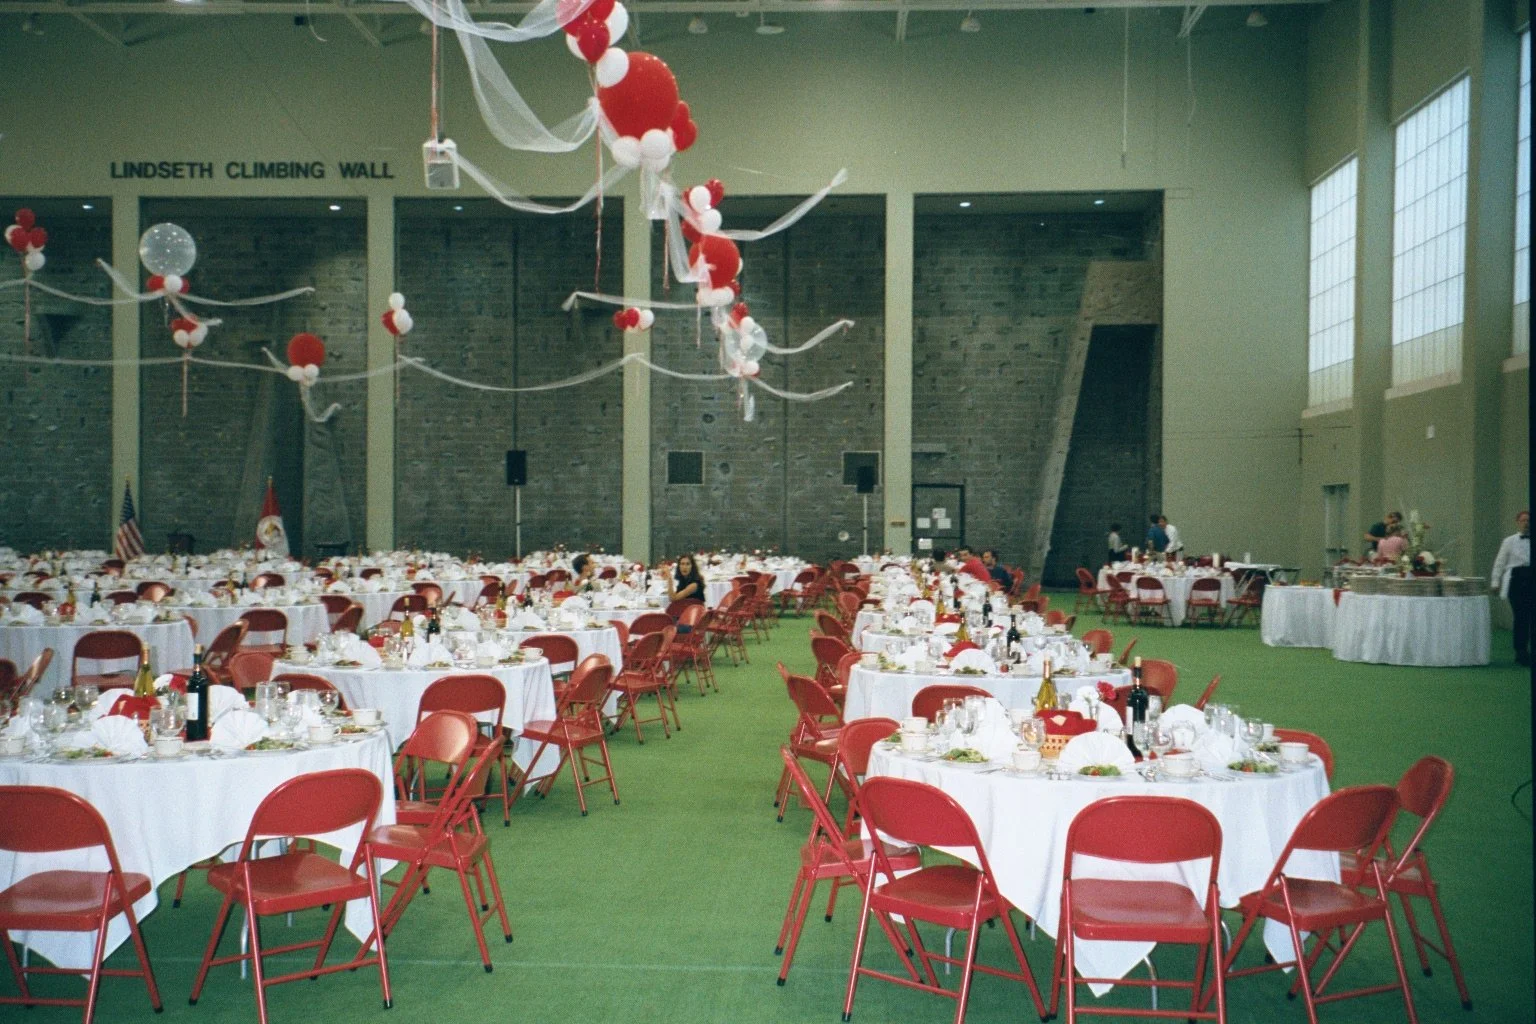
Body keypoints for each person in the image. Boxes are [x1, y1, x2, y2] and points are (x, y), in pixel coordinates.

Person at [1491, 510, 1531, 666]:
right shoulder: (1509, 541)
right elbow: (1500, 562)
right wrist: (1495, 581)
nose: (1526, 523)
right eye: (1523, 520)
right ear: (1518, 522)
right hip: (1516, 580)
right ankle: (1521, 652)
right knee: (1521, 617)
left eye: (1529, 520)